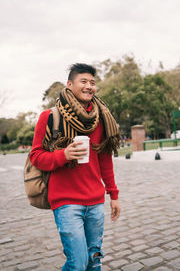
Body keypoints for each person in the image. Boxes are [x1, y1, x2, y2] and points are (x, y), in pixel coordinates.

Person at [30, 63, 121, 271]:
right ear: (70, 85)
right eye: (84, 81)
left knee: (94, 260)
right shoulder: (50, 117)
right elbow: (36, 156)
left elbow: (105, 161)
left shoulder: (102, 119)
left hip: (96, 202)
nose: (89, 86)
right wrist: (64, 155)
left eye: (93, 82)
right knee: (77, 264)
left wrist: (113, 195)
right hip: (66, 203)